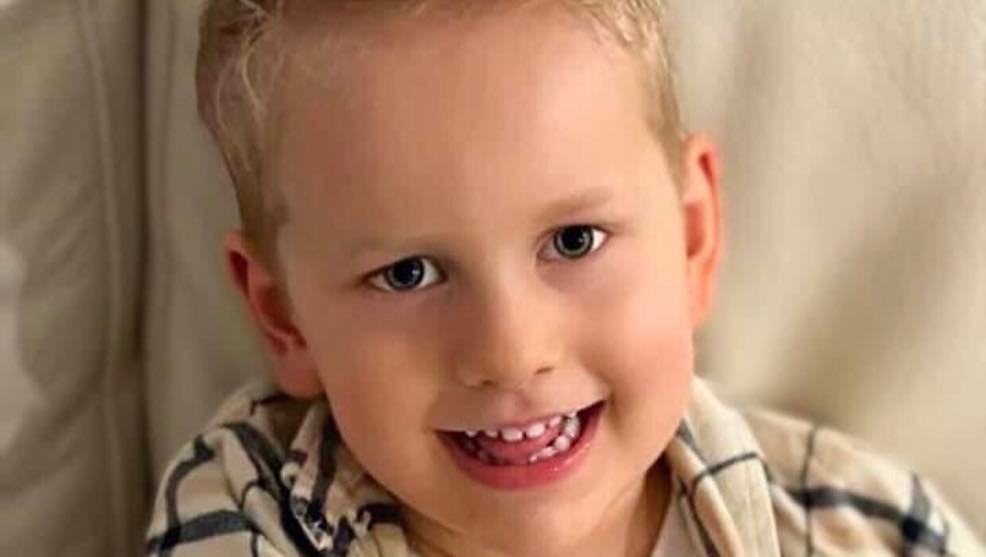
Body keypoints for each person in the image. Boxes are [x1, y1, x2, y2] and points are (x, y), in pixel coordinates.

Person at [146, 1, 984, 555]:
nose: (511, 351)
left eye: (575, 241)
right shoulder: (247, 511)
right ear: (284, 317)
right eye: (408, 272)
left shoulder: (864, 529)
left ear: (691, 236)